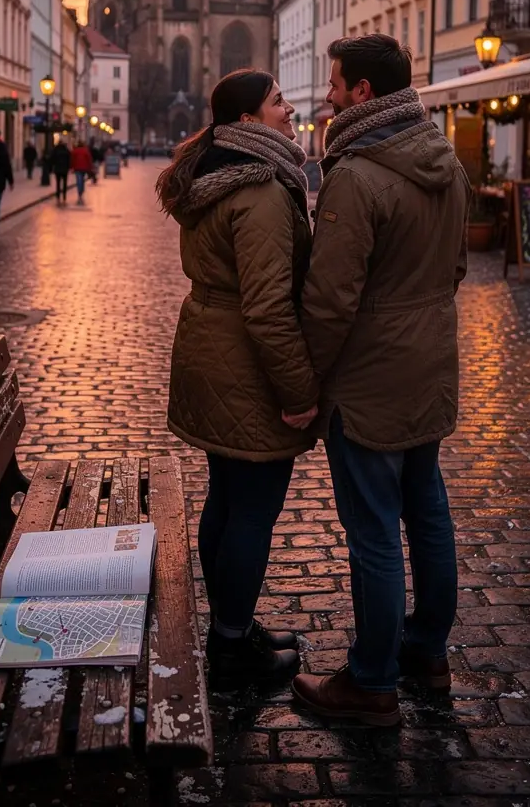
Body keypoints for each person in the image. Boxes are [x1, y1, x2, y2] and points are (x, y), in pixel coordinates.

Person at [292, 34, 469, 728]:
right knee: (427, 513)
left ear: (363, 92)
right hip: (429, 366)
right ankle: (426, 652)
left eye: (336, 84)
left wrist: (304, 384)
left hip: (368, 380)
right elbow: (455, 267)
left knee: (372, 531)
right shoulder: (447, 160)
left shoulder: (357, 174)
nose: (328, 95)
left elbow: (330, 301)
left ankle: (370, 682)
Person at [156, 70, 319, 693]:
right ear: (249, 121)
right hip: (245, 367)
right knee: (252, 509)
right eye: (278, 99)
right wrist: (299, 392)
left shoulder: (218, 172)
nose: (290, 106)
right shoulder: (263, 190)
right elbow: (269, 308)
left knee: (226, 496)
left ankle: (232, 624)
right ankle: (229, 648)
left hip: (210, 350)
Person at [70, 138, 93, 204]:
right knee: (82, 180)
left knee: (78, 180)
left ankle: (79, 192)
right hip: (84, 168)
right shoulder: (86, 151)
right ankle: (81, 191)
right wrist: (90, 167)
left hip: (77, 168)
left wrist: (71, 167)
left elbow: (72, 160)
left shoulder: (75, 151)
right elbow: (89, 159)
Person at [51, 138, 71, 203]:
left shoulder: (55, 149)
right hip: (65, 169)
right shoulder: (66, 150)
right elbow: (69, 159)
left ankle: (58, 196)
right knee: (64, 183)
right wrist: (68, 167)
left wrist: (53, 166)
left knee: (58, 183)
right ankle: (64, 196)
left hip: (57, 169)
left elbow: (52, 158)